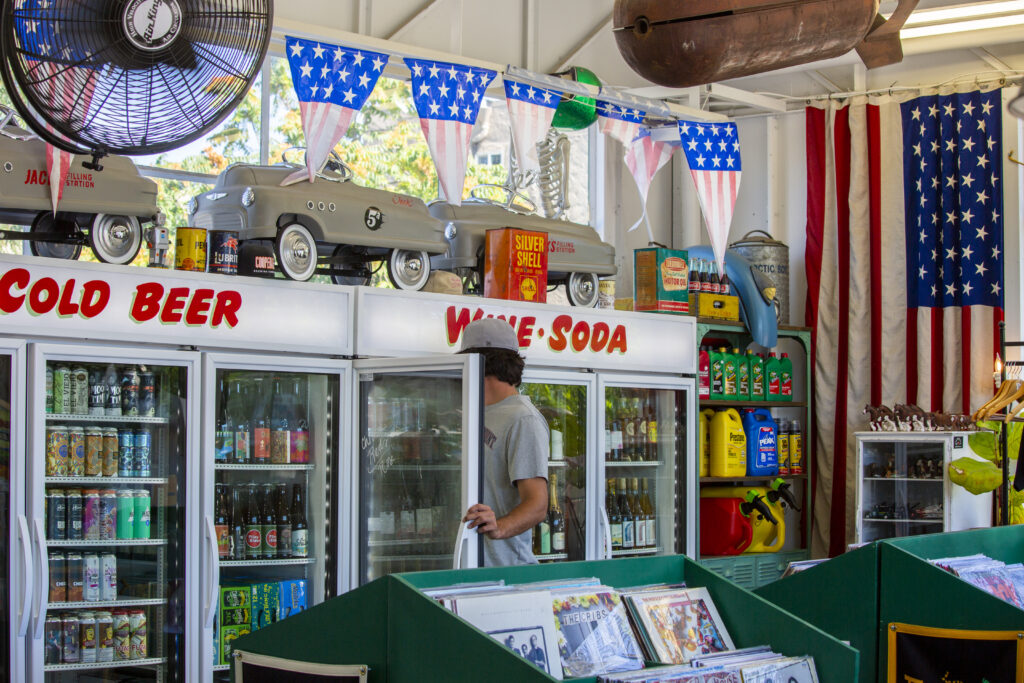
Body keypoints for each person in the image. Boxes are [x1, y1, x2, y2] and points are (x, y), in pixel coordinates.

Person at [460, 318, 549, 566]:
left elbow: (537, 504)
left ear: (479, 361)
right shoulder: (473, 409)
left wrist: (499, 527)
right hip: (468, 564)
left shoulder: (523, 418)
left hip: (505, 571)